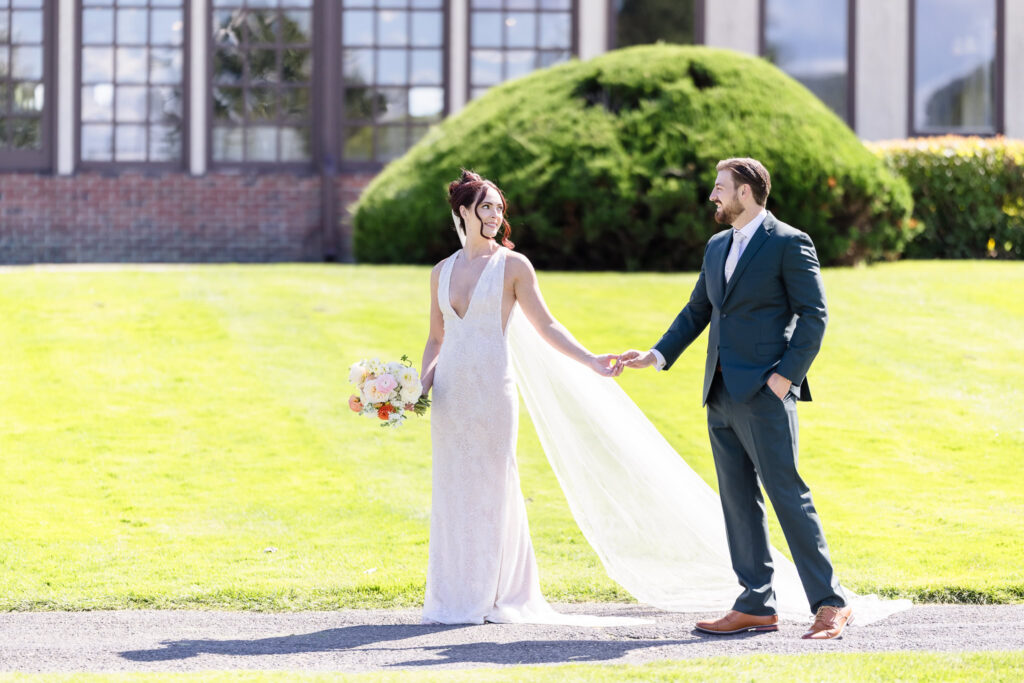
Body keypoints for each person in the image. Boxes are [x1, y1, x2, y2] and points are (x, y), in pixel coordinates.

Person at [618, 157, 853, 640]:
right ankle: (755, 603)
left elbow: (815, 316)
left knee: (788, 495)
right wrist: (657, 355)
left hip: (767, 393)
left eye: (720, 187)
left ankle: (830, 603)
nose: (713, 196)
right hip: (719, 392)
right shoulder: (717, 246)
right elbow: (697, 310)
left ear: (745, 193)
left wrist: (785, 379)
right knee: (738, 502)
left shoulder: (790, 242)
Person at [417, 170, 620, 625]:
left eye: (498, 208)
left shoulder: (513, 266)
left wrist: (589, 359)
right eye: (486, 206)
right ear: (464, 211)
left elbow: (546, 325)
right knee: (452, 491)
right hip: (451, 398)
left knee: (493, 486)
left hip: (492, 391)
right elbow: (435, 339)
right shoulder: (440, 271)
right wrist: (419, 386)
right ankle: (455, 595)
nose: (495, 214)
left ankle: (495, 594)